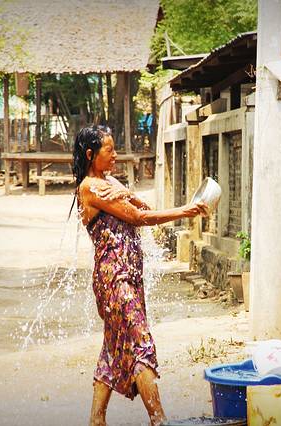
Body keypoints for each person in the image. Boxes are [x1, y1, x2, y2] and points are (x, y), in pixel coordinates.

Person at [71, 125, 207, 426]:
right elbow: (139, 217)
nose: (115, 155)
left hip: (130, 275)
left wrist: (128, 192)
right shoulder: (90, 187)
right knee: (140, 341)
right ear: (91, 154)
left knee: (113, 345)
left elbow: (141, 205)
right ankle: (158, 419)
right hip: (114, 279)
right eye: (109, 150)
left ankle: (96, 419)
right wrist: (185, 211)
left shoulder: (108, 182)